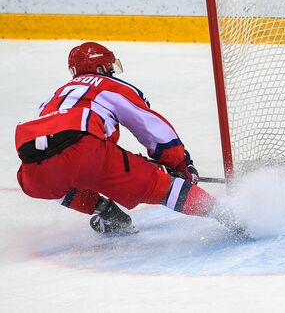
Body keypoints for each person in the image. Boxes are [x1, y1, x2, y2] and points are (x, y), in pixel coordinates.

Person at [15, 42, 246, 237]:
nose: (111, 71)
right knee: (160, 186)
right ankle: (228, 215)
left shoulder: (53, 97)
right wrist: (179, 164)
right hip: (85, 151)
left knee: (57, 177)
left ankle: (106, 212)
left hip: (31, 169)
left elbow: (60, 147)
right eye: (108, 66)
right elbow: (148, 126)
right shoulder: (108, 85)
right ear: (98, 66)